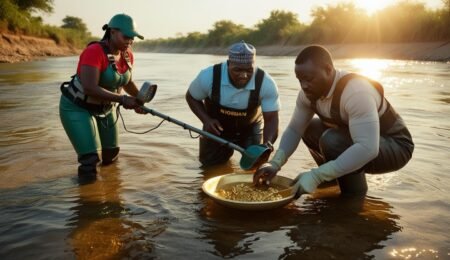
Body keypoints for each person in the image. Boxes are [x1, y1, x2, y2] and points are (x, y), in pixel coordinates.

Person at [254, 45, 414, 197]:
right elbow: (295, 130)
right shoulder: (307, 94)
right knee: (309, 128)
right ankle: (333, 179)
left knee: (332, 140)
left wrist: (316, 175)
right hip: (357, 140)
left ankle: (353, 196)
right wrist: (275, 163)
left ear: (329, 70)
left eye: (309, 79)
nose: (304, 86)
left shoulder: (356, 92)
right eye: (299, 80)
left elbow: (368, 148)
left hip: (395, 147)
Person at [60, 13, 146, 180]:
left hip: (106, 108)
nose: (130, 41)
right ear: (112, 32)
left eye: (133, 37)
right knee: (90, 161)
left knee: (111, 154)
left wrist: (139, 100)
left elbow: (126, 82)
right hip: (78, 107)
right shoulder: (93, 52)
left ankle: (110, 189)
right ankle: (89, 202)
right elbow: (90, 88)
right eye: (126, 36)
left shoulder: (127, 54)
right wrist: (122, 99)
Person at [186, 41, 280, 167]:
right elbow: (191, 97)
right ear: (228, 64)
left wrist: (267, 145)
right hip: (216, 129)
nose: (244, 75)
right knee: (209, 169)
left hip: (250, 128)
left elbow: (272, 119)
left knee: (255, 168)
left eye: (249, 70)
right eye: (238, 70)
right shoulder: (209, 76)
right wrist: (206, 120)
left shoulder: (266, 83)